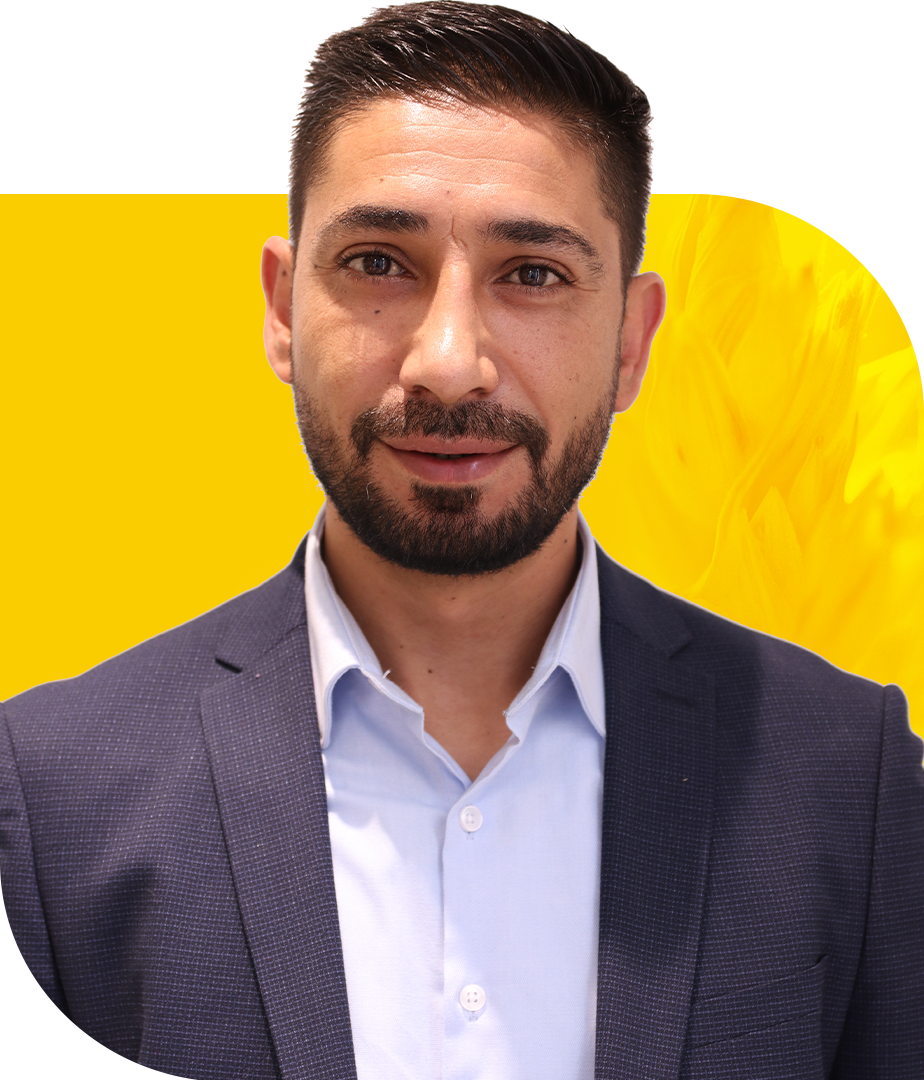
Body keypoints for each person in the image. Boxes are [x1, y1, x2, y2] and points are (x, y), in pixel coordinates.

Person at [2, 2, 922, 1077]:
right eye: (378, 263)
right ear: (283, 311)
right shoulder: (52, 790)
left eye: (532, 274)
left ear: (631, 343)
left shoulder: (844, 774)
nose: (447, 362)